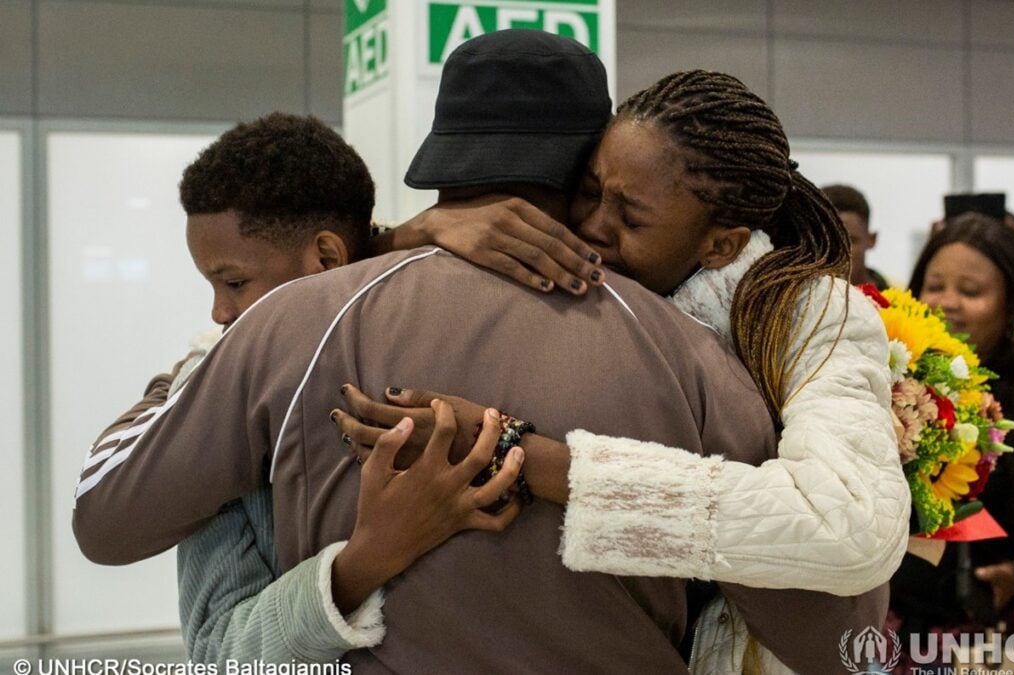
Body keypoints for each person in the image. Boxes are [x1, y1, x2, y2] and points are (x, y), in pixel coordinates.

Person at [71, 33, 892, 675]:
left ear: (442, 156)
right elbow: (837, 635)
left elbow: (106, 516)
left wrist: (369, 253)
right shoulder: (697, 354)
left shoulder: (298, 320)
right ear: (589, 158)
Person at [338, 68, 910, 671]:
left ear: (721, 245)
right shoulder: (582, 270)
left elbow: (850, 528)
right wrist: (419, 230)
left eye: (631, 219)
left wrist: (523, 456)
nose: (592, 226)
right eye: (589, 190)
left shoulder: (814, 312)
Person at [83, 112, 523, 663]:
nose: (219, 311)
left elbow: (218, 653)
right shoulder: (235, 390)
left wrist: (193, 372)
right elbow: (222, 648)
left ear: (329, 256)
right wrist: (359, 566)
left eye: (234, 282)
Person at [890, 213, 1014, 653]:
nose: (946, 302)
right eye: (934, 286)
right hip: (896, 637)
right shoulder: (894, 383)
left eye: (970, 291)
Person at [822, 183, 889, 289]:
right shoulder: (796, 301)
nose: (839, 253)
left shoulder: (897, 302)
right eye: (828, 243)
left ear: (872, 239)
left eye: (850, 242)